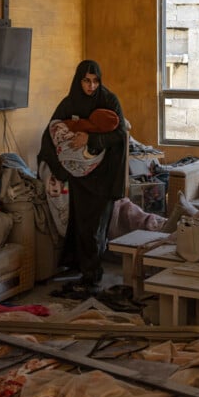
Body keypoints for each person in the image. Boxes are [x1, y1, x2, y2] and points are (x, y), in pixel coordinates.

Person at [37, 60, 127, 286]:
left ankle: (93, 275)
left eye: (95, 81)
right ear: (79, 81)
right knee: (80, 226)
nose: (91, 86)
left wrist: (90, 138)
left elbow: (120, 135)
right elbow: (50, 132)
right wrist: (60, 169)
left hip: (103, 175)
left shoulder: (109, 100)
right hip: (80, 176)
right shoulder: (70, 102)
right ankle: (83, 270)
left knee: (96, 227)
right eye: (86, 81)